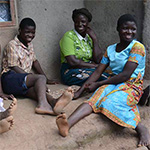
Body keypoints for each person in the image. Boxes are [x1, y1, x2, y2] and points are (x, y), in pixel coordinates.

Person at [56, 14, 150, 148]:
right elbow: (98, 71)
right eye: (125, 28)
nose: (129, 32)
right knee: (95, 98)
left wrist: (99, 84)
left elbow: (125, 75)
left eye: (133, 29)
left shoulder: (137, 47)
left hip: (132, 86)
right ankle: (67, 124)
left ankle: (140, 128)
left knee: (108, 102)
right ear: (118, 29)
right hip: (114, 83)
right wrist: (80, 91)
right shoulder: (110, 50)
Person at [1, 18, 73, 115]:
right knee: (39, 79)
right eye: (27, 32)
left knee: (38, 90)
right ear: (20, 31)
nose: (30, 35)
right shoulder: (12, 45)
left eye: (32, 32)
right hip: (9, 79)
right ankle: (42, 105)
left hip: (20, 82)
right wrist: (32, 78)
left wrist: (46, 79)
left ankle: (53, 102)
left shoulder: (29, 44)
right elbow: (14, 67)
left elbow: (35, 62)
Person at [60, 8, 110, 86]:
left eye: (83, 22)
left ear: (88, 23)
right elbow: (73, 62)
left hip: (88, 68)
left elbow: (98, 59)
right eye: (77, 22)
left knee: (109, 74)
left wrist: (95, 39)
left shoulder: (89, 38)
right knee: (102, 77)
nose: (80, 24)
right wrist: (96, 66)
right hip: (71, 71)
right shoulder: (68, 36)